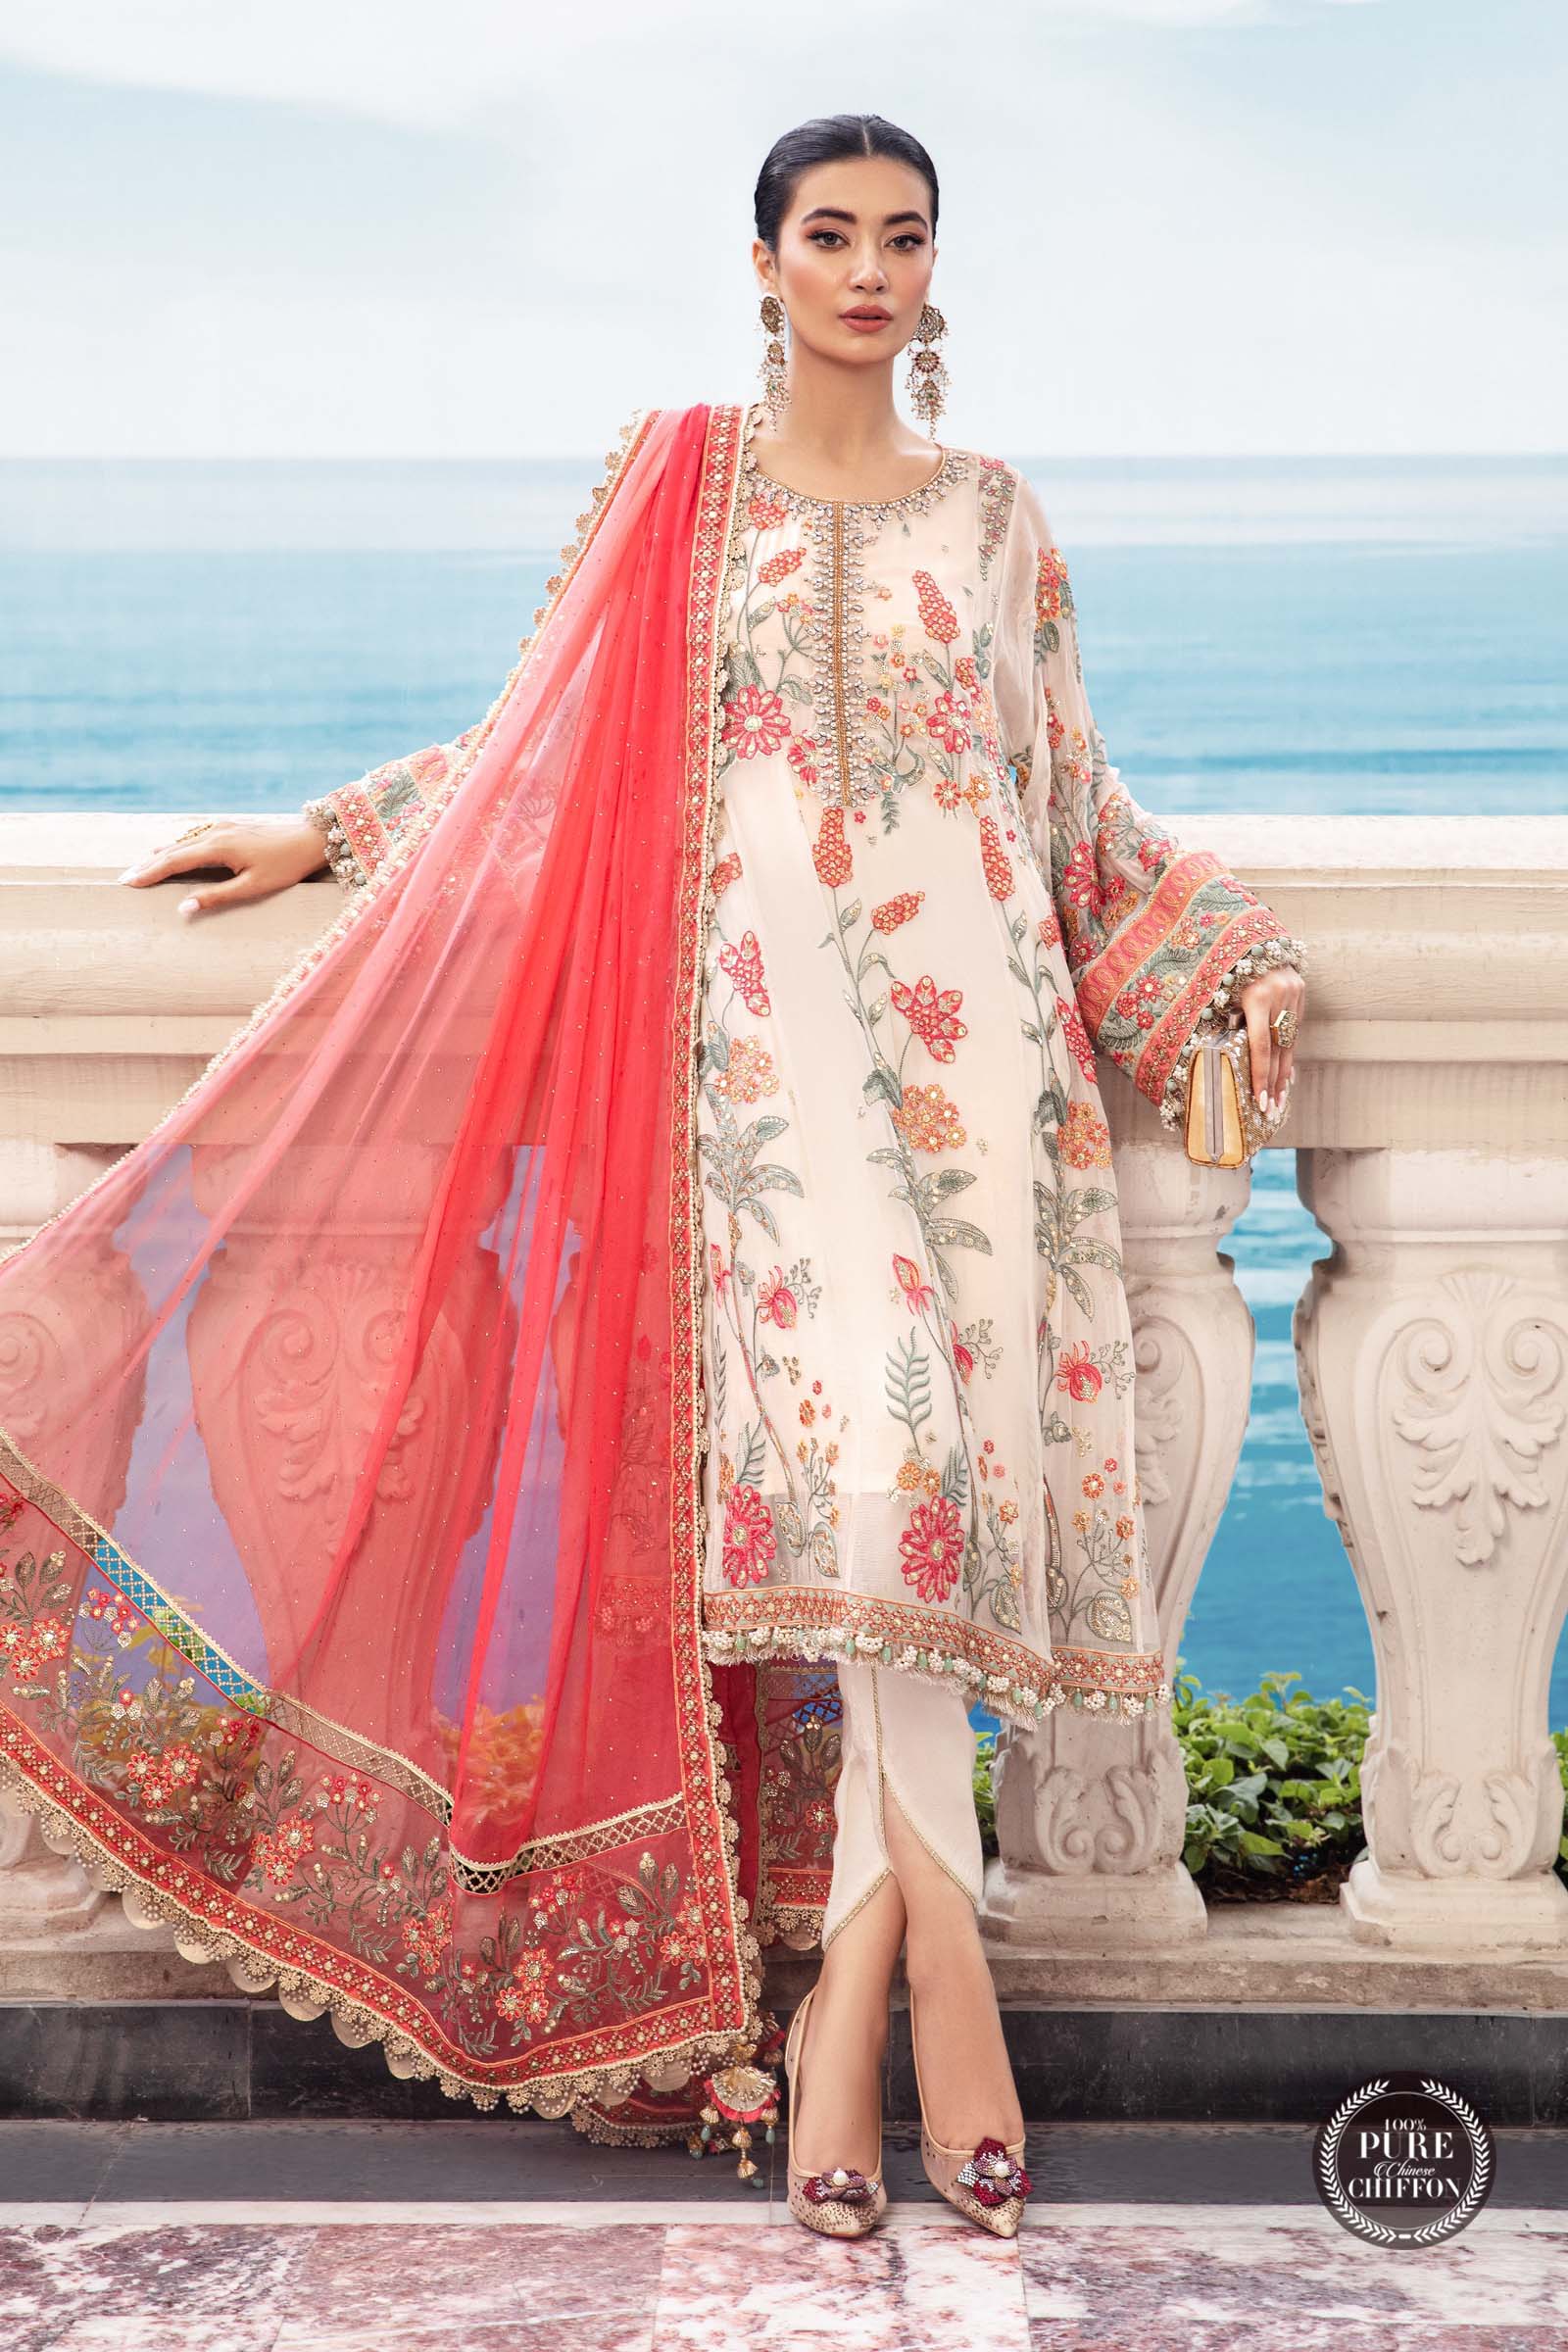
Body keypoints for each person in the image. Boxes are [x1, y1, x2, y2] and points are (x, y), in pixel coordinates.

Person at [0, 114, 1305, 2238]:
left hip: (986, 1106)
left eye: (902, 237)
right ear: (763, 261)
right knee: (857, 1513)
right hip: (766, 1126)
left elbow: (1070, 813)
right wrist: (332, 835)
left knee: (910, 1531)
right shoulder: (685, 486)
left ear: (936, 271)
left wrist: (1222, 963)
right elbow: (556, 751)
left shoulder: (993, 517)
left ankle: (861, 1999)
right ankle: (929, 1982)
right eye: (829, 235)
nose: (866, 270)